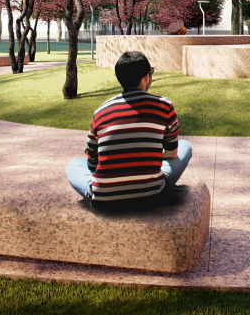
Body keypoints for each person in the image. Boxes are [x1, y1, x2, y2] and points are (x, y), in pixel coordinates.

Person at [67, 51, 191, 207]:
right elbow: (172, 153)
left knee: (74, 165)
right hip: (153, 194)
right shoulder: (164, 106)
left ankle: (100, 191)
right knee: (185, 146)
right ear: (146, 77)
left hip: (105, 200)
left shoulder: (100, 111)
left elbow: (93, 163)